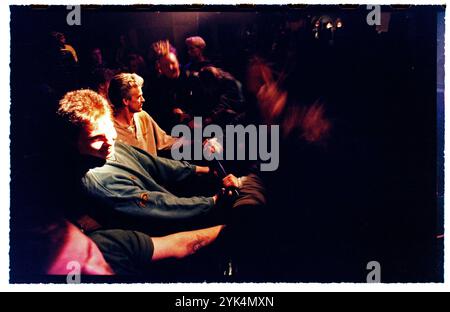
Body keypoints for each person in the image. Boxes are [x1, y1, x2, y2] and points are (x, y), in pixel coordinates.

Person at [57, 89, 236, 234]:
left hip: (169, 204)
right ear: (74, 143)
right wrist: (213, 201)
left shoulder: (112, 145)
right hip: (158, 230)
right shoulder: (98, 182)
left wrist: (205, 170)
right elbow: (158, 205)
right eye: (96, 137)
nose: (109, 139)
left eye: (109, 128)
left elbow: (155, 164)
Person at [108, 72, 177, 156]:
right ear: (125, 101)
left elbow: (165, 141)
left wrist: (193, 141)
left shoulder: (143, 117)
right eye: (138, 97)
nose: (143, 100)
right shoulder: (109, 129)